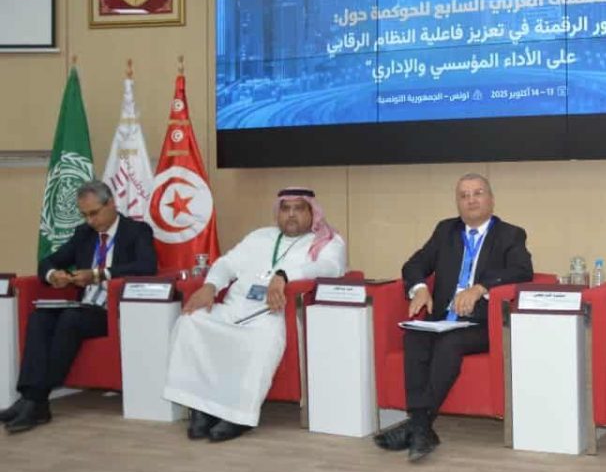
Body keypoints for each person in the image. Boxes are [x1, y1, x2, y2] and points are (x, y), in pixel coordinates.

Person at [163, 187, 347, 442]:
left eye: (298, 208)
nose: (291, 215)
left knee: (262, 338)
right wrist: (210, 285)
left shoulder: (326, 241)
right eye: (285, 208)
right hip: (234, 307)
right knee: (191, 320)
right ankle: (201, 408)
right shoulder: (259, 237)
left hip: (271, 314)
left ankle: (238, 416)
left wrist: (284, 276)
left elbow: (330, 267)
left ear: (312, 212)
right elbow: (227, 263)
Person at [374, 173, 532, 462]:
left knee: (450, 344)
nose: (471, 200)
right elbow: (414, 264)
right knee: (414, 337)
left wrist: (480, 288)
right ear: (458, 203)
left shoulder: (510, 234)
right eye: (464, 195)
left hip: (481, 324)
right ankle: (422, 428)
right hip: (443, 319)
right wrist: (420, 288)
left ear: (491, 199)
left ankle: (418, 425)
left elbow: (522, 271)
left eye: (478, 193)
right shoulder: (445, 231)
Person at [0, 180, 156, 433]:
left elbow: (146, 266)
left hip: (110, 312)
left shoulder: (136, 231)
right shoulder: (84, 234)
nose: (91, 221)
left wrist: (98, 275)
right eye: (85, 215)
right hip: (82, 306)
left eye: (94, 213)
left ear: (111, 204)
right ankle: (31, 398)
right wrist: (53, 275)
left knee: (71, 318)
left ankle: (36, 400)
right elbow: (48, 262)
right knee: (40, 318)